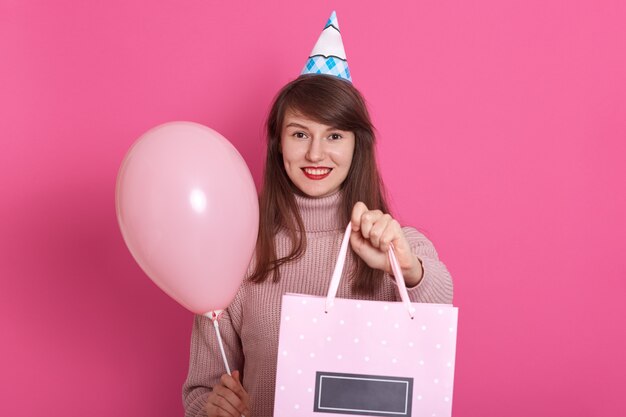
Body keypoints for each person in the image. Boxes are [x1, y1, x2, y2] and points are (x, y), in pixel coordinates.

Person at [183, 12, 453, 417]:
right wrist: (211, 408)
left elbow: (441, 302)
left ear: (356, 146)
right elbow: (200, 391)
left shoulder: (394, 242)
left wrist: (404, 264)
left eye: (334, 136)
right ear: (278, 144)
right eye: (299, 134)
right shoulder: (239, 253)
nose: (315, 154)